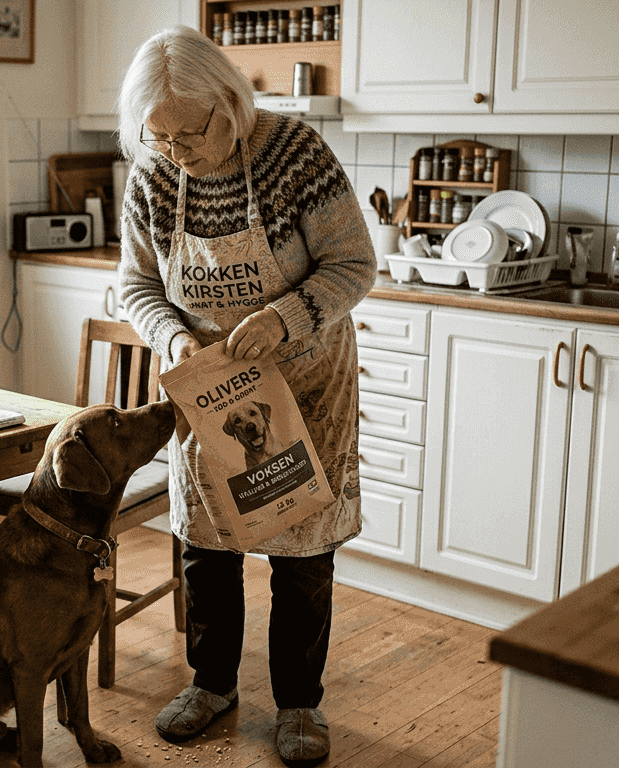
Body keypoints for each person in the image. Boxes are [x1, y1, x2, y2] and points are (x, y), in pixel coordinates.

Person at [116, 25, 377, 767]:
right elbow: (135, 285)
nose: (176, 151)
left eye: (188, 133)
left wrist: (286, 316)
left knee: (301, 550)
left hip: (306, 382)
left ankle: (299, 703)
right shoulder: (154, 175)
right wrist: (169, 337)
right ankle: (213, 686)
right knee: (207, 544)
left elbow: (354, 264)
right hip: (209, 390)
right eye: (157, 137)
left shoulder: (296, 154)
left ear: (229, 102)